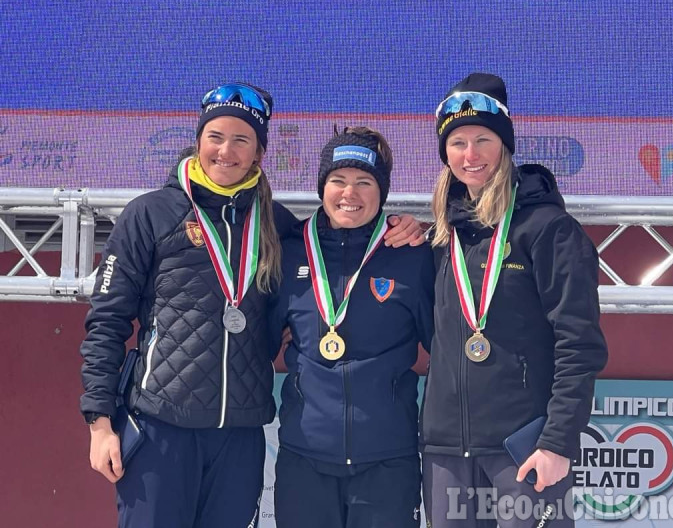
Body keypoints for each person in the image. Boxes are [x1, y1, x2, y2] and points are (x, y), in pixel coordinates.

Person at [79, 83, 424, 528]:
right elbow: (106, 321)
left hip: (239, 437)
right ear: (198, 140)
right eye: (216, 137)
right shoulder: (150, 215)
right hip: (161, 427)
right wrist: (100, 422)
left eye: (242, 139)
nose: (227, 150)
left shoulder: (278, 227)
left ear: (259, 152)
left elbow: (344, 243)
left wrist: (406, 226)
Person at [420, 73, 608, 527]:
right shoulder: (441, 236)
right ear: (445, 153)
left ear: (505, 145)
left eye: (483, 139)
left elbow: (579, 344)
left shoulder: (546, 230)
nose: (471, 155)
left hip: (525, 448)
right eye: (458, 142)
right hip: (447, 454)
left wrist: (558, 442)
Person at [268, 127, 435, 528]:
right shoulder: (288, 251)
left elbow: (443, 347)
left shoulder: (409, 254)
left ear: (383, 192)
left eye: (364, 182)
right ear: (322, 187)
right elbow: (257, 340)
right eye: (338, 181)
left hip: (387, 460)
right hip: (304, 458)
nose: (350, 193)